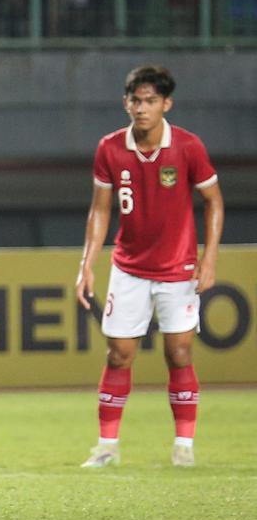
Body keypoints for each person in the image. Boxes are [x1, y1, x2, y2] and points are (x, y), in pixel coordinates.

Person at [76, 66, 224, 469]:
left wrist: (210, 257)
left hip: (179, 268)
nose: (142, 108)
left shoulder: (188, 146)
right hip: (129, 268)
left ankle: (183, 447)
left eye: (151, 101)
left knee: (179, 352)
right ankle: (106, 447)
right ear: (126, 103)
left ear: (166, 104)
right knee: (119, 355)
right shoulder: (110, 147)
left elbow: (213, 200)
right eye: (136, 100)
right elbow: (100, 210)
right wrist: (86, 264)